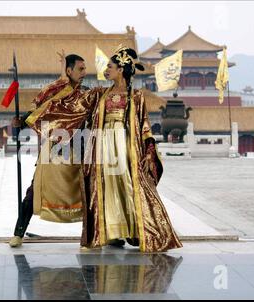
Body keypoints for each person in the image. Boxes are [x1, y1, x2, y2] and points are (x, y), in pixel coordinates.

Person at [34, 46, 183, 253]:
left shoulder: (136, 96)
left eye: (110, 66)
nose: (106, 69)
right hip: (102, 148)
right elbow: (72, 103)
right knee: (105, 189)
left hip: (126, 149)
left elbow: (144, 126)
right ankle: (108, 233)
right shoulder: (99, 94)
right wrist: (61, 78)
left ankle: (137, 231)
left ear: (121, 70)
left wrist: (149, 151)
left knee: (129, 188)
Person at [9, 52, 88, 247]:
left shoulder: (86, 94)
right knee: (34, 190)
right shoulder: (55, 92)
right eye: (80, 69)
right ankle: (19, 233)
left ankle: (97, 236)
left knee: (90, 193)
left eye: (85, 68)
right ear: (69, 70)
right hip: (53, 149)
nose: (84, 72)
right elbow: (40, 110)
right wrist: (22, 122)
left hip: (79, 149)